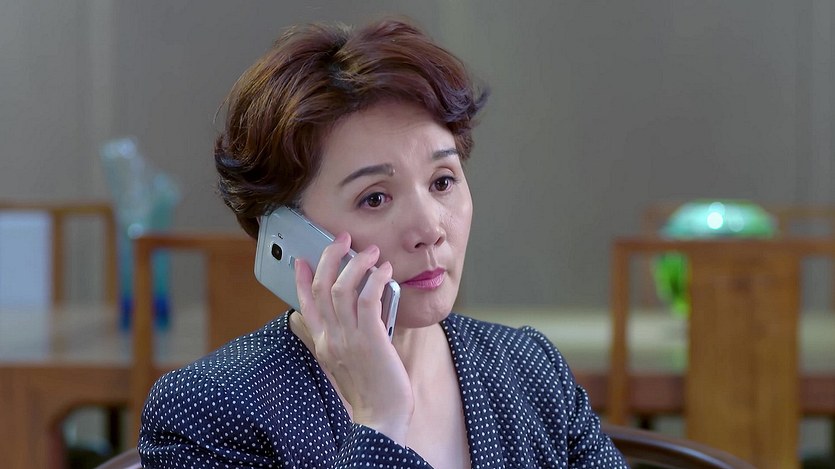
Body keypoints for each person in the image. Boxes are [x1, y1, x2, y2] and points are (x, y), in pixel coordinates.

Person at [138, 17, 627, 468]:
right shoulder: (209, 412)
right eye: (374, 198)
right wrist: (380, 421)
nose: (430, 229)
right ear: (288, 229)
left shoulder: (530, 370)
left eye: (442, 181)